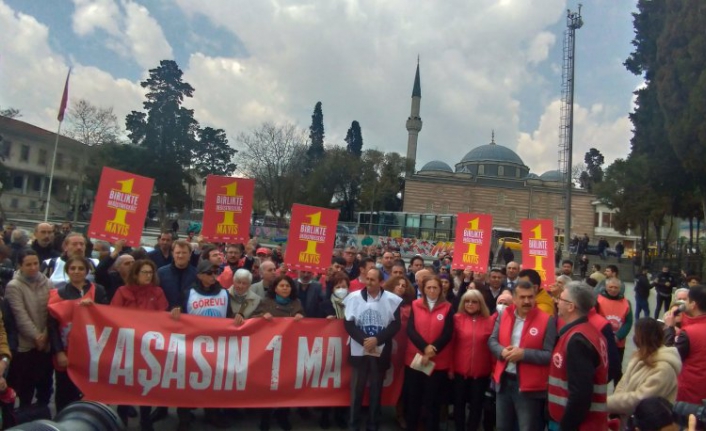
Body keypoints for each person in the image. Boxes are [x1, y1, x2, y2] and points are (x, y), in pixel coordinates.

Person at [488, 280, 556, 431]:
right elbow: (492, 340)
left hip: (528, 387)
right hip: (504, 381)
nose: (527, 301)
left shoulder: (547, 320)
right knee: (502, 426)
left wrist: (524, 354)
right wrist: (501, 351)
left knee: (527, 427)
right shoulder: (505, 314)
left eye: (530, 297)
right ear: (514, 298)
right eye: (522, 297)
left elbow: (549, 355)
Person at [111, 259, 170, 429]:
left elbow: (162, 316)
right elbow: (113, 315)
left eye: (150, 273)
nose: (148, 276)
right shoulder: (122, 292)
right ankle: (122, 420)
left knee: (147, 384)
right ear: (136, 274)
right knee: (125, 385)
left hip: (149, 347)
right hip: (128, 345)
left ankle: (145, 420)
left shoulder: (157, 292)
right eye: (144, 272)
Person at [174, 260, 231, 430]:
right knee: (187, 382)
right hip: (192, 346)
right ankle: (184, 418)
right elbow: (178, 315)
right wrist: (175, 311)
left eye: (215, 273)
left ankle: (211, 414)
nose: (213, 276)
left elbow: (230, 316)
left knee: (214, 382)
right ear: (199, 275)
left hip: (216, 345)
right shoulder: (188, 292)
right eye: (209, 273)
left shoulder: (224, 293)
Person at [47, 256, 109, 412]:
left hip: (91, 352)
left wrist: (94, 308)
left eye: (81, 269)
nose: (76, 272)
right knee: (64, 391)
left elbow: (108, 317)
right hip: (67, 351)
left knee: (92, 391)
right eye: (72, 268)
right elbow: (52, 327)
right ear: (67, 271)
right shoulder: (58, 294)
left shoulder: (99, 290)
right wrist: (59, 352)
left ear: (87, 271)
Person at [343, 268, 402, 431]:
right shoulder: (353, 298)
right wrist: (364, 340)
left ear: (381, 282)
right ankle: (353, 423)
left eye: (372, 280)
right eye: (367, 279)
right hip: (359, 348)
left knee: (376, 389)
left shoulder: (392, 300)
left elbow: (395, 324)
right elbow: (348, 323)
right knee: (357, 388)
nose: (368, 282)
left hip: (380, 348)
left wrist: (377, 339)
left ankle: (373, 422)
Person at [549, 281, 608, 430]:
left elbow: (581, 393)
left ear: (571, 306)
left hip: (577, 423)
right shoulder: (589, 332)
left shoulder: (578, 340)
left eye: (561, 299)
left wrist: (567, 426)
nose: (556, 301)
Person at [607, 318, 682, 429]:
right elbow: (623, 383)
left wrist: (607, 403)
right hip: (628, 421)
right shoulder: (639, 356)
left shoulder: (664, 369)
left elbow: (640, 399)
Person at [404, 276, 454, 431]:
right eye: (428, 288)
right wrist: (425, 347)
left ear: (441, 289)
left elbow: (447, 334)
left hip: (437, 363)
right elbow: (411, 330)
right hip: (416, 360)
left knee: (433, 402)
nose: (432, 291)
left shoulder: (448, 307)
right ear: (423, 289)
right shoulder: (415, 304)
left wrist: (432, 350)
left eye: (435, 288)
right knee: (413, 400)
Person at [254, 275, 304, 431]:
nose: (285, 288)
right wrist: (261, 317)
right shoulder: (266, 303)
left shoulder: (297, 304)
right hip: (269, 352)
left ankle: (282, 415)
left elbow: (306, 326)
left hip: (289, 351)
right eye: (281, 285)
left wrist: (302, 317)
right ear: (275, 288)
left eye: (287, 286)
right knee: (268, 386)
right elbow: (252, 320)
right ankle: (265, 417)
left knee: (285, 385)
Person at [5, 250, 53, 409]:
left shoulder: (47, 281)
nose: (33, 267)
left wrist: (46, 335)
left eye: (35, 263)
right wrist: (37, 336)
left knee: (45, 383)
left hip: (46, 342)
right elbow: (20, 315)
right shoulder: (14, 286)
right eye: (28, 264)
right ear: (20, 266)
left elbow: (52, 310)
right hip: (25, 345)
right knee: (26, 386)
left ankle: (43, 412)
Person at [452, 289, 496, 431]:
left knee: (476, 406)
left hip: (481, 373)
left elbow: (492, 348)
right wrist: (451, 368)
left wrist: (493, 370)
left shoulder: (489, 322)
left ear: (480, 304)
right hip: (459, 371)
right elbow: (451, 345)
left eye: (474, 301)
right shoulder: (456, 319)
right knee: (458, 405)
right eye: (467, 301)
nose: (470, 304)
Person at [663, 284, 706, 404]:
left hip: (690, 394)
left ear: (693, 305)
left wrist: (669, 329)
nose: (683, 303)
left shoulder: (689, 333)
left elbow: (669, 357)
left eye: (687, 299)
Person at [383, 274, 415, 429]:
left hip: (404, 349)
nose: (401, 287)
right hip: (386, 347)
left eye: (404, 285)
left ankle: (400, 414)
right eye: (398, 284)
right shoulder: (382, 303)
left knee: (402, 384)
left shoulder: (411, 306)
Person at [597, 277, 633, 380]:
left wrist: (619, 336)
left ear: (620, 288)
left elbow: (629, 322)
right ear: (606, 287)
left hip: (618, 343)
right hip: (601, 340)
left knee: (617, 369)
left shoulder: (627, 303)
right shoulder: (598, 300)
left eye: (616, 287)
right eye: (611, 287)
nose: (613, 289)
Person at [157, 240, 198, 310]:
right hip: (166, 315)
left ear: (190, 254)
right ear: (172, 254)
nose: (180, 256)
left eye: (184, 253)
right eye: (178, 252)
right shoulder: (161, 273)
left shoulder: (197, 274)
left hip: (189, 316)